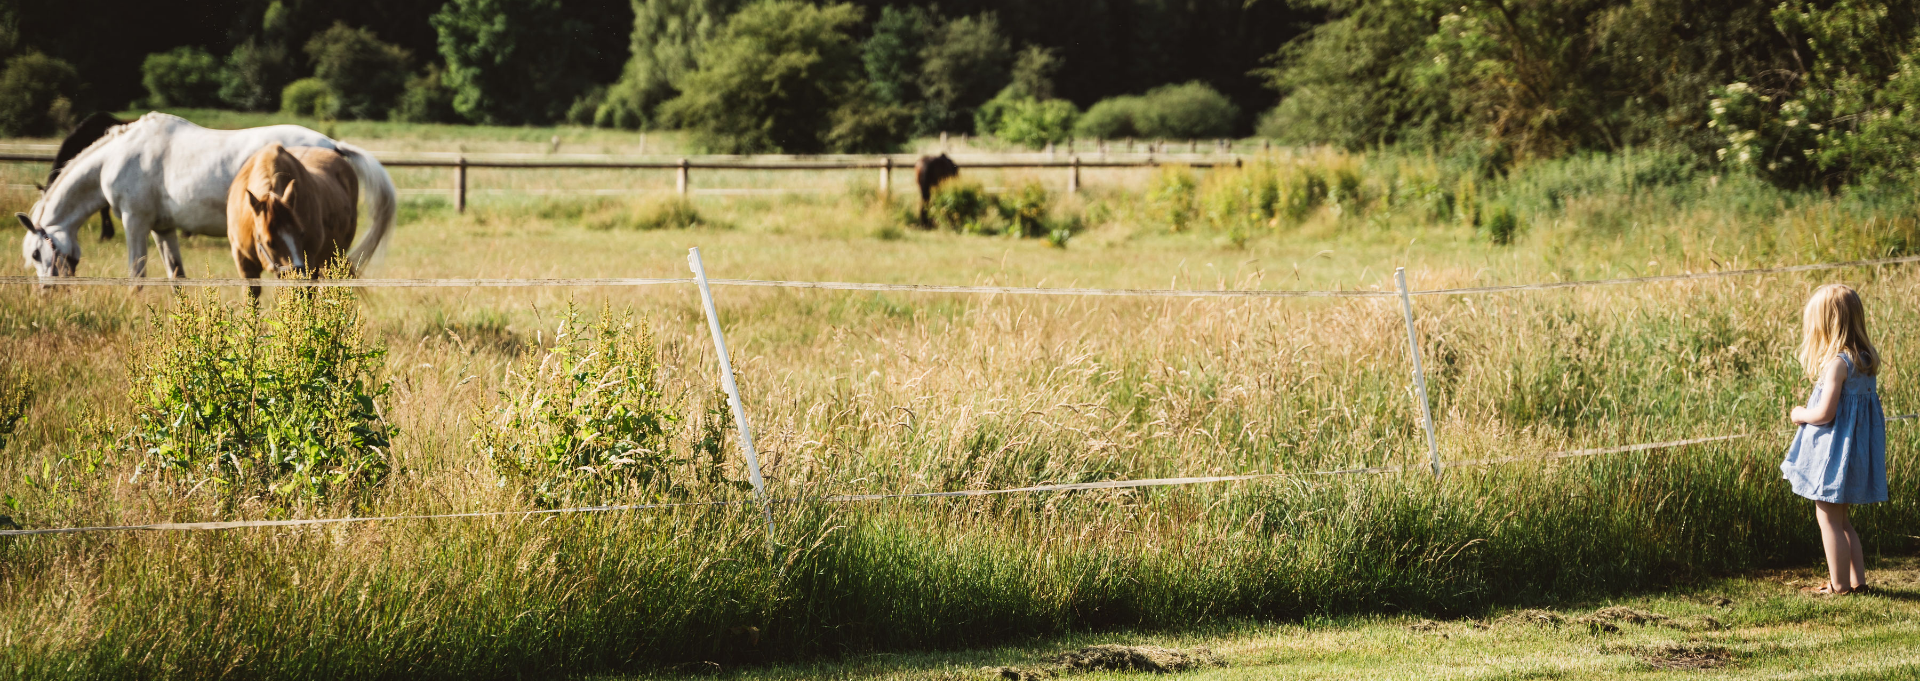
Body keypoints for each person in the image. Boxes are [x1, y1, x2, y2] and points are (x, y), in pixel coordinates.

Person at [1783, 283, 1888, 596]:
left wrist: (1800, 413)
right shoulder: (1865, 360)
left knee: (1827, 519)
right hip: (1852, 452)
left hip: (1833, 454)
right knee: (1843, 522)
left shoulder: (1837, 365)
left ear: (1826, 324)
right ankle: (1858, 582)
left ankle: (1840, 586)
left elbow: (1825, 414)